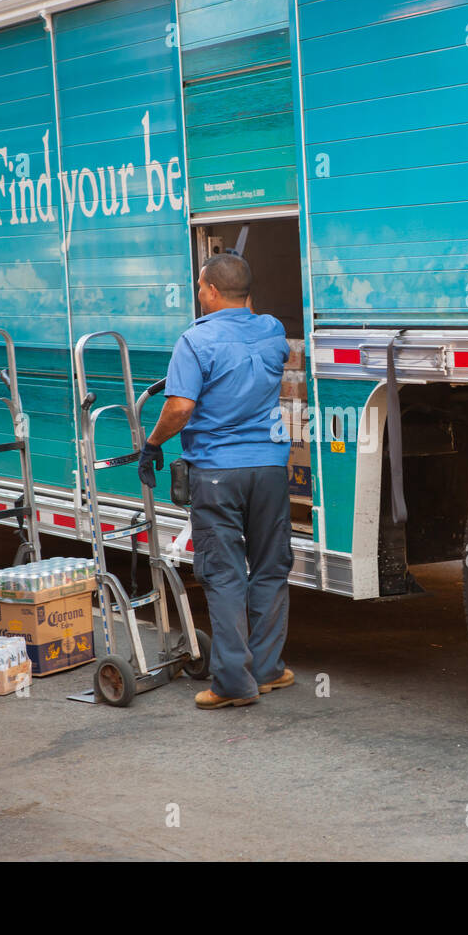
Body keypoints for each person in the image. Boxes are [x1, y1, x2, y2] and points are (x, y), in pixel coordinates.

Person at [140, 253, 295, 709]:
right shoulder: (272, 330)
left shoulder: (195, 340)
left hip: (217, 472)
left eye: (199, 286)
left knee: (225, 574)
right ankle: (267, 670)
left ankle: (233, 684)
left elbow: (181, 407)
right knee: (270, 566)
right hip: (268, 468)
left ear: (208, 290)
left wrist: (152, 444)